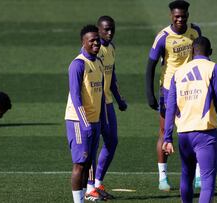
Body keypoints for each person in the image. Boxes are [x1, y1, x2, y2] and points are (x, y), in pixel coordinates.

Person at [162, 36, 217, 202]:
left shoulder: (178, 73)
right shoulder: (214, 68)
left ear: (192, 52)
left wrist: (167, 137)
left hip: (184, 135)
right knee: (207, 182)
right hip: (205, 134)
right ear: (210, 52)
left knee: (186, 175)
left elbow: (170, 107)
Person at [145, 0, 202, 191]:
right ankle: (163, 178)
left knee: (196, 131)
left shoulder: (195, 32)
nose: (180, 19)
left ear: (188, 14)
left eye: (183, 16)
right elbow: (151, 65)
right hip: (169, 90)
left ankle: (198, 175)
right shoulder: (163, 37)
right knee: (164, 132)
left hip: (191, 89)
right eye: (176, 16)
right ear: (171, 16)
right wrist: (150, 94)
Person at [85, 15, 127, 201]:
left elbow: (112, 74)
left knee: (112, 142)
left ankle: (98, 183)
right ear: (98, 29)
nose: (109, 33)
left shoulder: (111, 48)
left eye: (112, 29)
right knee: (93, 146)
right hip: (95, 105)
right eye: (106, 29)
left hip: (108, 103)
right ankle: (89, 187)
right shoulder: (94, 49)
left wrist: (119, 99)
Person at [64, 25, 105, 203]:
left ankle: (84, 196)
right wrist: (84, 122)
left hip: (94, 121)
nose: (96, 43)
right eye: (92, 41)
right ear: (83, 42)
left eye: (97, 40)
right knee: (80, 165)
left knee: (89, 163)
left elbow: (100, 93)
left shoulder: (99, 63)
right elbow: (75, 96)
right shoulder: (77, 65)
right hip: (78, 121)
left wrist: (102, 119)